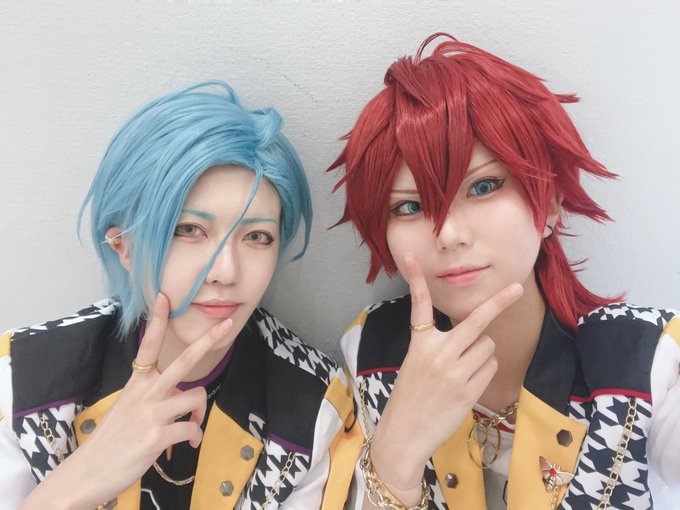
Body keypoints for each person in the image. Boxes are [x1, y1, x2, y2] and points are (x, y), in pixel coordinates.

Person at [330, 34, 680, 510]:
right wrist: (395, 452)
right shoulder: (372, 350)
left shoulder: (645, 362)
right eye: (409, 206)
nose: (448, 234)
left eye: (484, 187)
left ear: (549, 204)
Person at [0, 81, 357, 510]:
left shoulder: (311, 404)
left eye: (257, 236)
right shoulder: (23, 381)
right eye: (188, 230)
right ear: (123, 246)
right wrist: (83, 477)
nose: (225, 272)